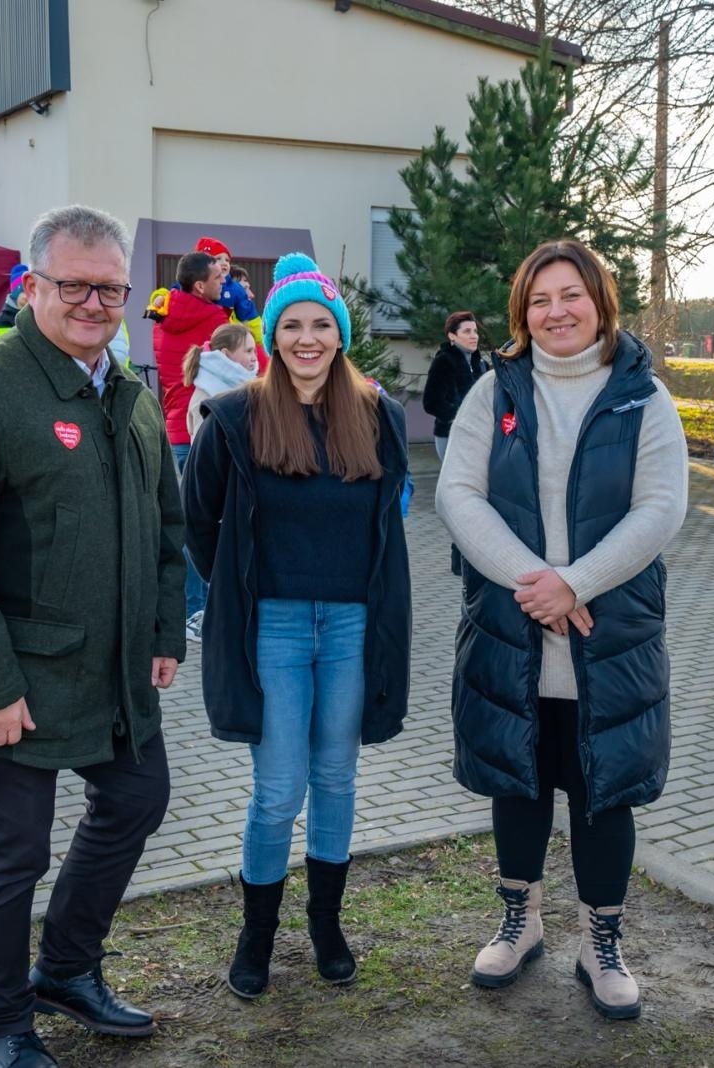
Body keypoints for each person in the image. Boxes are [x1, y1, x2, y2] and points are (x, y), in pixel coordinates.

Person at [0, 205, 185, 1068]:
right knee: (9, 855)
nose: (94, 303)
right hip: (15, 681)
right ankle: (3, 1024)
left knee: (136, 800)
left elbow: (166, 527)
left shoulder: (130, 395)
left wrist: (165, 631)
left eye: (110, 288)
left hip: (117, 669)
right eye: (74, 285)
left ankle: (65, 969)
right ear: (33, 286)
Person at [435, 239, 688, 1021]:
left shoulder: (644, 397)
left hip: (610, 641)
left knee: (603, 792)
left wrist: (574, 583)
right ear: (522, 313)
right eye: (540, 300)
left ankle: (600, 942)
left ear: (600, 301)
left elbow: (662, 508)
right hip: (514, 637)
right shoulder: (493, 392)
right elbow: (458, 495)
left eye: (571, 295)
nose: (557, 312)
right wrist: (536, 585)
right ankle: (522, 922)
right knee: (519, 779)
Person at [181, 251, 412, 1001]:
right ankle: (256, 937)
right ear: (271, 336)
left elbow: (390, 519)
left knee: (337, 779)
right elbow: (199, 518)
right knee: (278, 791)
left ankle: (326, 925)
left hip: (351, 624)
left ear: (338, 335)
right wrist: (236, 594)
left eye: (321, 324)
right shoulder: (238, 417)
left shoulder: (377, 415)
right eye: (291, 326)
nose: (306, 338)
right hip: (273, 627)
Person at [154, 250, 229, 639]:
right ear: (200, 285)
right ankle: (203, 611)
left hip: (175, 430)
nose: (224, 285)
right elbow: (244, 362)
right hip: (205, 430)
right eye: (218, 278)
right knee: (210, 526)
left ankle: (189, 610)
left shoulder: (162, 316)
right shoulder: (215, 320)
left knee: (186, 524)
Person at [422, 310, 487, 461]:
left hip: (479, 435)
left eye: (475, 331)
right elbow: (431, 403)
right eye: (467, 331)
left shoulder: (481, 364)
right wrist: (461, 417)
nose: (474, 336)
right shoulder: (443, 361)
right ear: (452, 336)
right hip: (450, 434)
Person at [184, 322, 258, 441]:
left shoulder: (247, 386)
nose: (254, 358)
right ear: (225, 354)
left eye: (255, 351)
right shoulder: (206, 395)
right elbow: (203, 453)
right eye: (248, 351)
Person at [0, 264, 31, 342]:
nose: (29, 296)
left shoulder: (38, 319)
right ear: (15, 294)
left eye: (31, 292)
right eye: (24, 291)